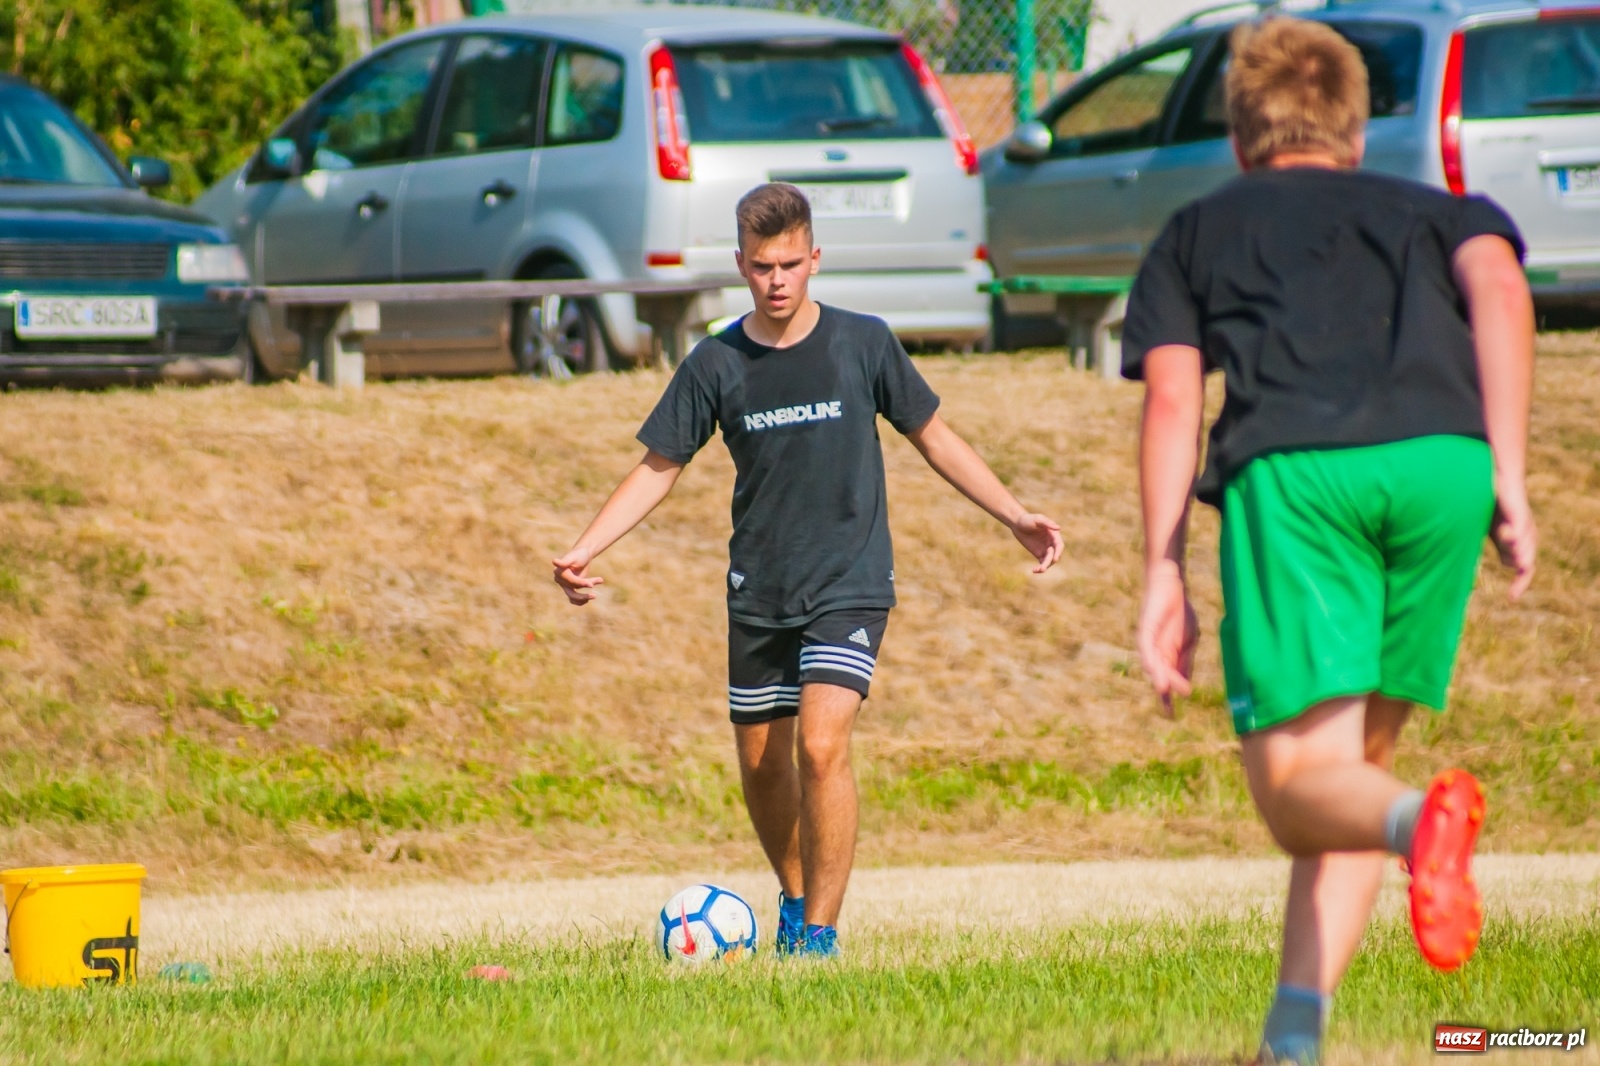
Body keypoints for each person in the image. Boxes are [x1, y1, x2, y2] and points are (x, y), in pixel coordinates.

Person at [1122, 17, 1536, 1065]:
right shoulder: (1440, 209)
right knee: (1355, 772)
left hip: (1301, 472)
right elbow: (1500, 287)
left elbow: (1173, 399)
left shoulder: (1195, 231)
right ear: (1357, 131)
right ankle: (1293, 1040)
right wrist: (1509, 472)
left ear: (1238, 136)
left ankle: (1421, 826)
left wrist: (1162, 567)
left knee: (1296, 792)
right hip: (1445, 466)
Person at [553, 182, 1063, 958]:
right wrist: (587, 546)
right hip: (760, 588)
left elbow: (935, 437)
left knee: (821, 748)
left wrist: (1015, 515)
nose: (777, 280)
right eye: (762, 267)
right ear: (740, 266)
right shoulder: (716, 362)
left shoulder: (864, 343)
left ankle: (818, 937)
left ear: (815, 258)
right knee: (764, 766)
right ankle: (795, 900)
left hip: (849, 582)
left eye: (790, 264)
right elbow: (659, 467)